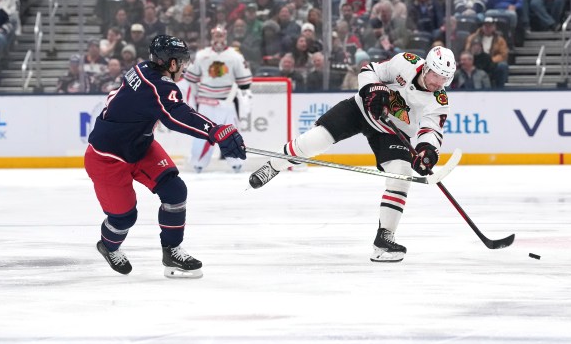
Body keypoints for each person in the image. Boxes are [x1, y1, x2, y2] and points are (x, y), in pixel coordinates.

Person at [248, 46, 456, 263]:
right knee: (315, 141)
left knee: (401, 174)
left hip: (392, 131)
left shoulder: (439, 100)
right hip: (360, 110)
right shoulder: (405, 62)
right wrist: (373, 90)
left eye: (445, 79)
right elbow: (370, 69)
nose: (439, 83)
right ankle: (272, 166)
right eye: (436, 76)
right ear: (426, 68)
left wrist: (427, 151)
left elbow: (431, 130)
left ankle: (384, 239)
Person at [85, 35, 246, 278]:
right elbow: (176, 115)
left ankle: (171, 251)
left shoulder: (142, 69)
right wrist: (215, 131)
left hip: (140, 146)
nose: (184, 66)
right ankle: (108, 246)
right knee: (124, 218)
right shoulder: (159, 86)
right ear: (170, 63)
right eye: (181, 61)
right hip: (108, 158)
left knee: (175, 191)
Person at [184, 25, 253, 173]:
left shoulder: (235, 56)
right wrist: (196, 96)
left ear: (225, 36)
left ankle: (236, 162)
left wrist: (244, 98)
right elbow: (191, 77)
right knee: (203, 134)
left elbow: (244, 82)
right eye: (216, 35)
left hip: (226, 102)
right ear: (211, 37)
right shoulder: (202, 55)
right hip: (205, 102)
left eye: (221, 36)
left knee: (231, 132)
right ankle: (198, 163)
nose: (218, 38)